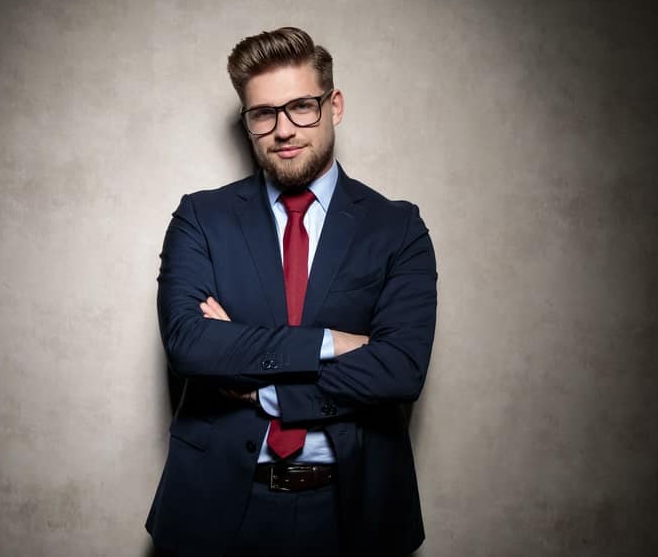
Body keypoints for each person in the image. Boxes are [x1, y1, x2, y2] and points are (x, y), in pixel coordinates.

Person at [145, 27, 438, 557]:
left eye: (302, 106)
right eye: (263, 114)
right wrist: (332, 342)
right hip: (215, 510)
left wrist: (267, 389)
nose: (284, 129)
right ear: (248, 123)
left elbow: (401, 369)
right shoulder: (201, 218)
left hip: (354, 512)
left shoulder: (397, 228)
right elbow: (190, 344)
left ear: (334, 105)